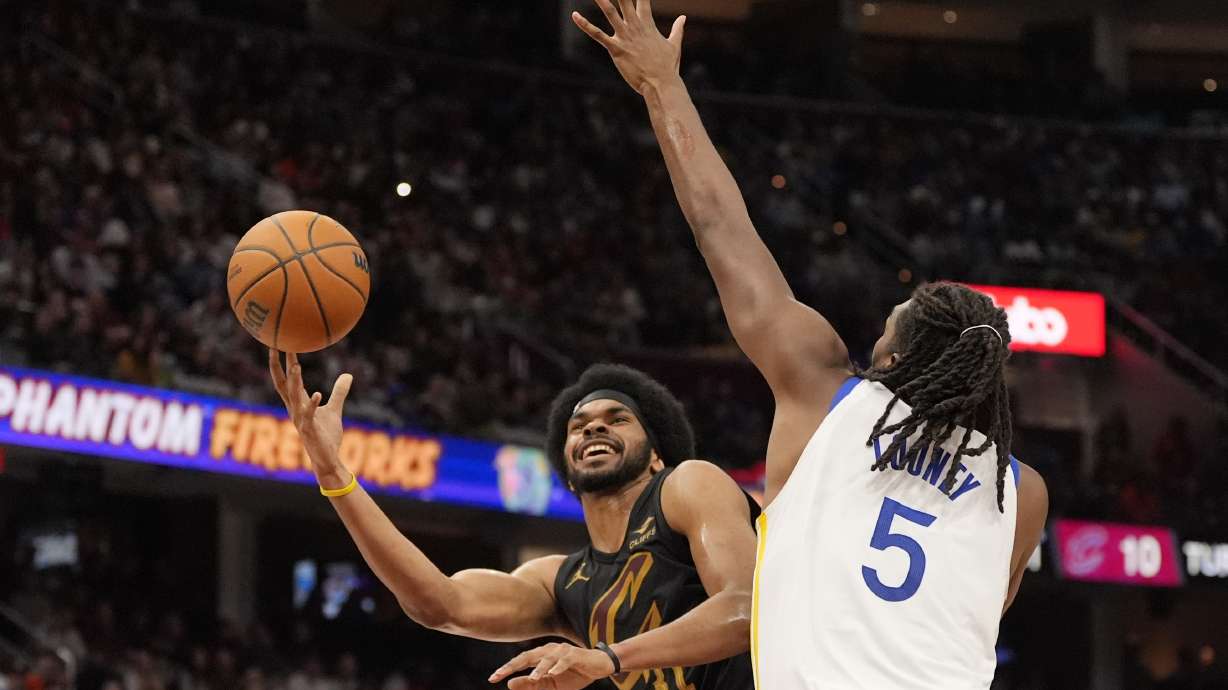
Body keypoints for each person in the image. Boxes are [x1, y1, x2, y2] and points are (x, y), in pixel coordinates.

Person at [571, 2, 1049, 688]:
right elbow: (975, 606)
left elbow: (718, 228)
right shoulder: (1022, 488)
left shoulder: (826, 394)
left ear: (891, 361)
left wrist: (662, 88)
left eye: (882, 331)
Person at [269, 352, 758, 690]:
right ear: (568, 472)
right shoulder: (563, 582)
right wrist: (333, 473)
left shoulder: (689, 483)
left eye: (618, 418)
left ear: (657, 458)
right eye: (578, 425)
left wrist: (606, 658)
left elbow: (743, 609)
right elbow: (439, 604)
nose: (593, 425)